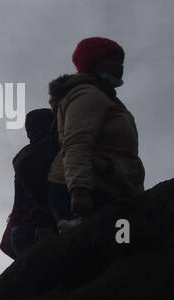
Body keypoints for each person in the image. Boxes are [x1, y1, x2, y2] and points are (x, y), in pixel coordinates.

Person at [46, 37, 144, 228]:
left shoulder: (105, 97)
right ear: (95, 62)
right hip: (92, 190)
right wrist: (80, 191)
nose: (120, 66)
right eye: (113, 60)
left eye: (121, 61)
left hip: (105, 186)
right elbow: (77, 142)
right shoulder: (88, 94)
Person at [1, 108, 58, 258]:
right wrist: (43, 222)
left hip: (23, 228)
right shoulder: (43, 152)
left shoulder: (25, 155)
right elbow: (37, 191)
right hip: (34, 227)